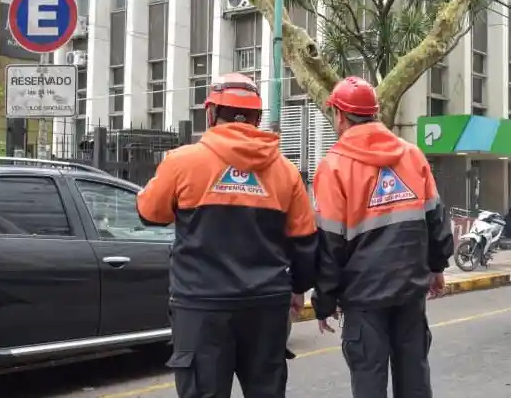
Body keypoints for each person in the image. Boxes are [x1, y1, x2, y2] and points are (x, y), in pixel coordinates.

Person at [136, 73, 317, 398]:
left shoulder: (182, 162)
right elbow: (305, 240)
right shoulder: (285, 171)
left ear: (210, 113)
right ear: (257, 118)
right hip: (266, 306)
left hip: (201, 306)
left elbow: (151, 213)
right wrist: (299, 288)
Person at [312, 76, 455, 398]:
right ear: (375, 113)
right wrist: (436, 268)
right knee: (414, 377)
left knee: (368, 382)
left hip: (363, 299)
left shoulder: (333, 166)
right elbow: (436, 220)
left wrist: (325, 301)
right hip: (410, 293)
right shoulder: (412, 155)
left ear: (339, 115)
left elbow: (329, 244)